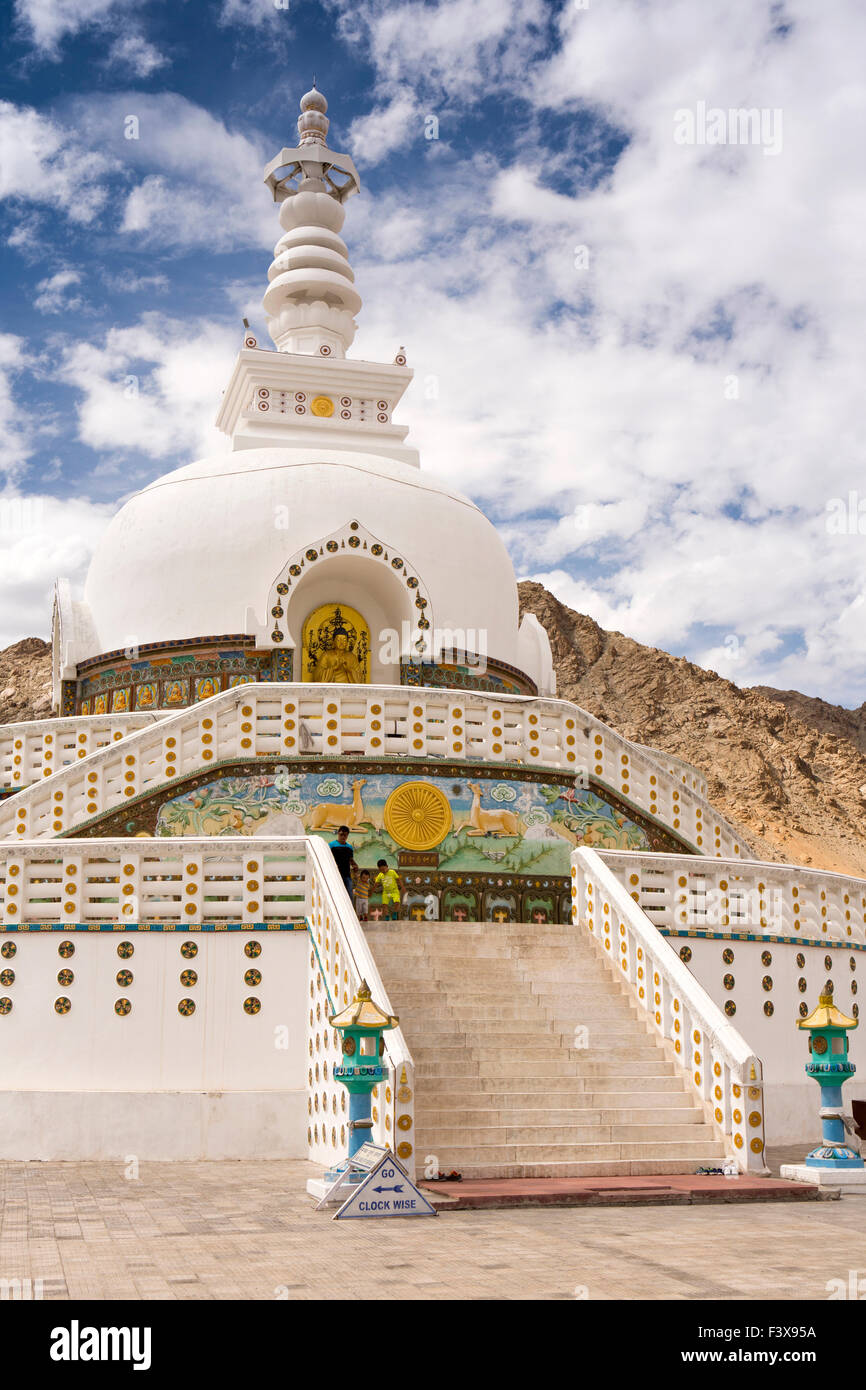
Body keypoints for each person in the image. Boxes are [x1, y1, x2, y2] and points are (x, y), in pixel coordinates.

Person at [329, 826, 357, 901]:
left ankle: (350, 912)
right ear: (338, 834)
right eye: (341, 834)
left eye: (345, 835)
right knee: (335, 895)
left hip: (346, 874)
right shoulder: (331, 845)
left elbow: (351, 859)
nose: (343, 837)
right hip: (335, 875)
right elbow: (328, 859)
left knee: (350, 895)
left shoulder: (349, 847)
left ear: (347, 835)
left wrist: (355, 865)